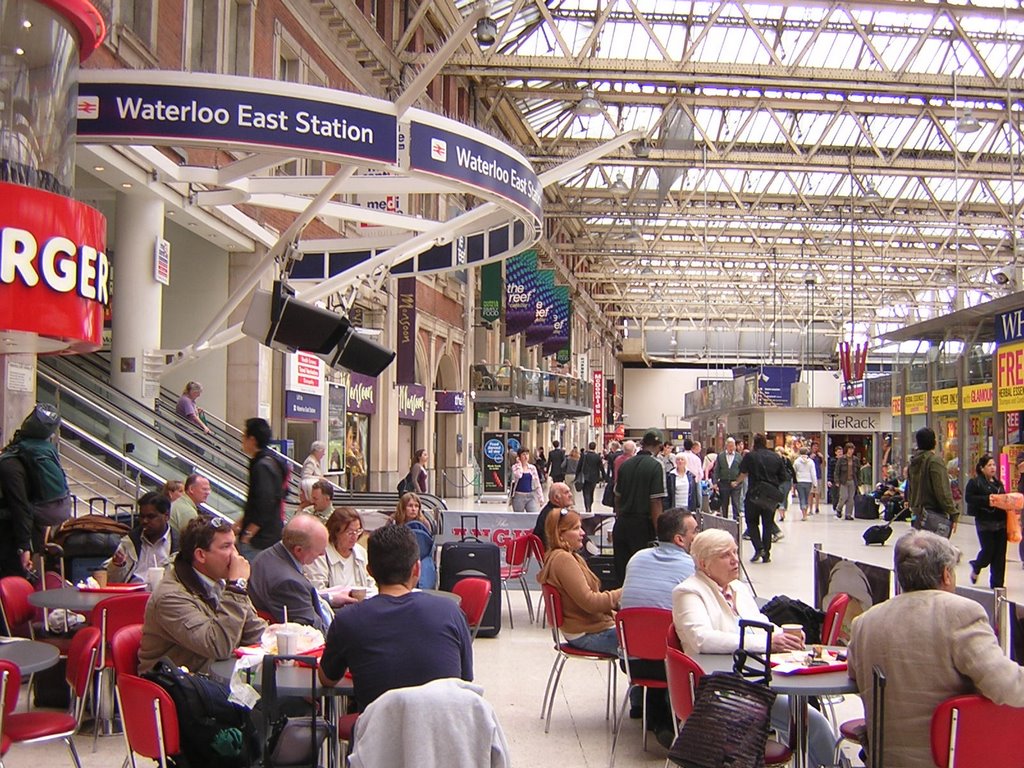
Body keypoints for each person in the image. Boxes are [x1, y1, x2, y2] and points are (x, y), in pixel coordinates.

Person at [848, 530, 1024, 767]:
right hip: (949, 757)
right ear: (946, 574)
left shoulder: (864, 623)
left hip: (883, 759)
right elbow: (1007, 686)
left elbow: (854, 675)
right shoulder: (961, 613)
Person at [672, 529, 836, 768]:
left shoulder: (737, 588)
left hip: (755, 681)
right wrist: (767, 644)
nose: (734, 560)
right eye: (725, 555)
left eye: (736, 552)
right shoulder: (688, 592)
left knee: (811, 722)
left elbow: (758, 622)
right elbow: (702, 639)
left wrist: (782, 634)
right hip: (722, 691)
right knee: (811, 724)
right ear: (703, 563)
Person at [319, 524, 472, 710]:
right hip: (443, 733)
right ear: (417, 568)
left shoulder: (347, 620)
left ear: (370, 571)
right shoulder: (451, 612)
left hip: (378, 736)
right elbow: (465, 680)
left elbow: (327, 678)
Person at [138, 516, 265, 674]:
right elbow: (218, 646)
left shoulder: (220, 581)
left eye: (234, 545)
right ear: (201, 555)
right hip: (175, 687)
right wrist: (237, 588)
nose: (235, 555)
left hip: (216, 679)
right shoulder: (170, 597)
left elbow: (255, 632)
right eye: (226, 547)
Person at [618, 508, 698, 747]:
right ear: (679, 539)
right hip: (671, 666)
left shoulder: (637, 558)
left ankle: (650, 711)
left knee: (658, 644)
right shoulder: (691, 567)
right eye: (695, 531)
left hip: (631, 661)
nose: (699, 535)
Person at [536, 509, 622, 655]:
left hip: (588, 629)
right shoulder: (563, 560)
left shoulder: (569, 557)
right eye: (576, 528)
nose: (583, 533)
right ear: (560, 534)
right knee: (651, 641)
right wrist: (624, 591)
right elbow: (591, 602)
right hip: (587, 634)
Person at [0, 403, 66, 578]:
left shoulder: (9, 465)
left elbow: (20, 507)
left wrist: (24, 548)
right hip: (30, 536)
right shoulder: (34, 457)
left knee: (12, 594)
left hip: (13, 542)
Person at [247, 514, 332, 634]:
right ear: (298, 550)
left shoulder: (268, 555)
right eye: (319, 551)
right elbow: (314, 632)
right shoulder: (288, 582)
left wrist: (331, 598)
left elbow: (302, 600)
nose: (323, 554)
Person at [613, 429, 667, 585]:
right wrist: (660, 532)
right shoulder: (657, 466)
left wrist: (620, 517)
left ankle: (621, 605)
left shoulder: (625, 464)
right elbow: (655, 502)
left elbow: (617, 497)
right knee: (642, 573)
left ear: (642, 444)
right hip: (643, 526)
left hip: (622, 524)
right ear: (660, 446)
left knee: (622, 573)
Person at [237, 417, 288, 557]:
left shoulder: (262, 466)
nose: (242, 440)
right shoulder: (272, 461)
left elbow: (265, 502)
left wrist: (248, 533)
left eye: (243, 436)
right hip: (269, 534)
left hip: (260, 540)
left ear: (252, 439)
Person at [735, 433, 788, 564]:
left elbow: (743, 472)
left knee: (751, 522)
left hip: (754, 493)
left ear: (754, 442)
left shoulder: (750, 456)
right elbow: (784, 477)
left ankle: (759, 548)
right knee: (768, 524)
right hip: (770, 496)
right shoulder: (775, 457)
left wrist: (736, 482)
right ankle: (767, 553)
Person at [106, 491, 179, 583]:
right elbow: (113, 581)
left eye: (151, 517)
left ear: (166, 516)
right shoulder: (130, 542)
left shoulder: (180, 546)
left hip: (164, 594)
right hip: (132, 594)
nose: (144, 521)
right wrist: (117, 566)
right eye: (142, 516)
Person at [304, 507, 375, 601]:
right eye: (349, 532)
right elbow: (317, 591)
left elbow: (370, 584)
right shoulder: (320, 554)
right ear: (336, 532)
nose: (355, 537)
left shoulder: (360, 552)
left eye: (358, 531)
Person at [965, 454, 1007, 588]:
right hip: (985, 522)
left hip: (1000, 522)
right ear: (982, 468)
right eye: (989, 465)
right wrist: (987, 500)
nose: (993, 467)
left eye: (994, 465)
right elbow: (969, 498)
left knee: (1000, 555)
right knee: (988, 551)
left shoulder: (998, 483)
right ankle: (977, 565)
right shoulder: (975, 483)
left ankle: (997, 584)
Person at [907, 426, 958, 537]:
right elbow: (942, 491)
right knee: (935, 550)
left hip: (917, 515)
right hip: (933, 515)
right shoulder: (935, 461)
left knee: (919, 550)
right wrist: (953, 513)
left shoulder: (913, 462)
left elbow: (910, 489)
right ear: (934, 442)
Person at [392, 492, 437, 589]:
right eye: (410, 506)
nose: (414, 509)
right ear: (403, 507)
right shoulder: (394, 521)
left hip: (421, 558)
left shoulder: (425, 523)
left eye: (416, 506)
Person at [533, 481, 575, 549]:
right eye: (566, 492)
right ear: (556, 498)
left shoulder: (550, 510)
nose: (570, 495)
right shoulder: (553, 515)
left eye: (569, 492)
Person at [713, 437, 743, 521]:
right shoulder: (721, 456)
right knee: (724, 503)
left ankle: (736, 522)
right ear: (726, 446)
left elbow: (742, 471)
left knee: (735, 503)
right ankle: (724, 521)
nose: (731, 448)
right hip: (724, 483)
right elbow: (717, 469)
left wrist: (737, 481)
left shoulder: (739, 456)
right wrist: (715, 482)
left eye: (732, 446)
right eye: (729, 446)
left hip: (735, 483)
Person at [510, 448, 544, 515]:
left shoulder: (532, 468)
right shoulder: (515, 467)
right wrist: (519, 464)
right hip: (518, 496)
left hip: (530, 495)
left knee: (533, 515)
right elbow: (519, 475)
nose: (526, 456)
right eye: (523, 454)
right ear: (519, 457)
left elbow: (537, 483)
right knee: (518, 517)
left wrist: (540, 497)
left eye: (527, 454)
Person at [578, 442, 605, 515]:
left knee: (585, 492)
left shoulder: (584, 455)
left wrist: (577, 475)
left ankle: (587, 506)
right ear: (595, 447)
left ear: (588, 447)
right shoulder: (597, 456)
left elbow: (579, 465)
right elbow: (601, 467)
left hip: (585, 476)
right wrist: (604, 476)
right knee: (591, 492)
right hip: (594, 477)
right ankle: (590, 504)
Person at [834, 442, 858, 520]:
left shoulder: (855, 459)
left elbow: (858, 471)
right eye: (849, 449)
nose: (851, 451)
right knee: (844, 497)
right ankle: (839, 508)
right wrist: (837, 480)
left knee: (851, 498)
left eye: (852, 449)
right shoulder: (841, 459)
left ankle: (848, 514)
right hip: (843, 481)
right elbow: (837, 471)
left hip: (852, 481)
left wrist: (859, 481)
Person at [793, 447, 818, 521]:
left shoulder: (796, 461)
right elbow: (813, 473)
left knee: (802, 497)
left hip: (799, 481)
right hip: (808, 481)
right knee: (807, 497)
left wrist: (794, 482)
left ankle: (804, 514)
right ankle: (806, 513)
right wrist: (815, 484)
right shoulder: (810, 462)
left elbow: (794, 472)